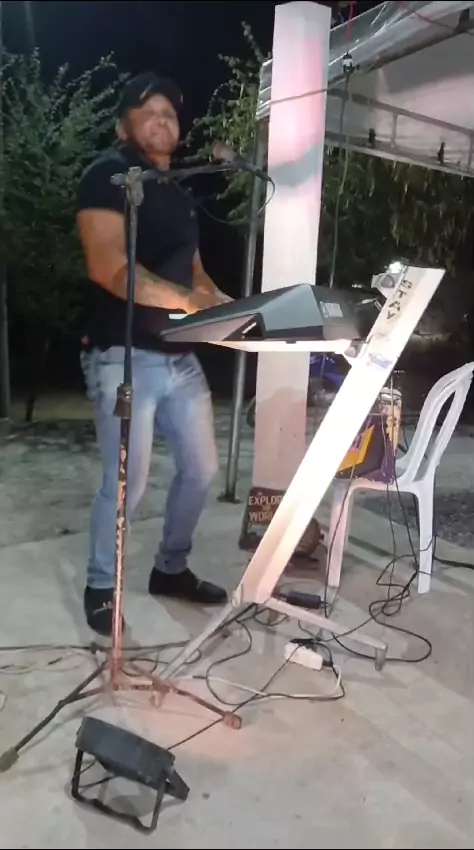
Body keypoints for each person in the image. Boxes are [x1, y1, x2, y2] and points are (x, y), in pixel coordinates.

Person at [76, 73, 231, 637]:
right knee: (127, 482)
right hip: (124, 356)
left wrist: (233, 310)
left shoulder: (177, 189)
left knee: (202, 470)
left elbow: (194, 272)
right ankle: (101, 585)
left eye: (170, 112)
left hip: (178, 356)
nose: (163, 119)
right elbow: (109, 266)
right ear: (123, 126)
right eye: (148, 111)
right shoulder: (108, 176)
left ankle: (170, 569)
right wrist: (187, 302)